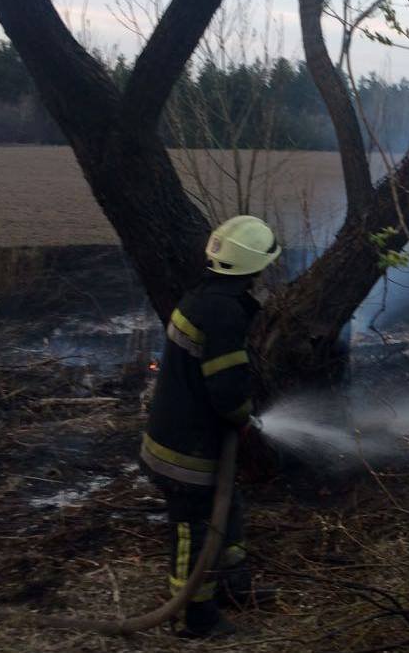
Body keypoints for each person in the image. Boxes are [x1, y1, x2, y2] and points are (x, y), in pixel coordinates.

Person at [139, 215, 280, 638]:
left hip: (192, 439)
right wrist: (246, 417)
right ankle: (196, 617)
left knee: (228, 510)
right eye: (263, 269)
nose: (265, 276)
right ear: (252, 268)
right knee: (193, 532)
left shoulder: (204, 298)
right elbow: (227, 391)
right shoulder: (222, 315)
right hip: (185, 452)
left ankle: (234, 586)